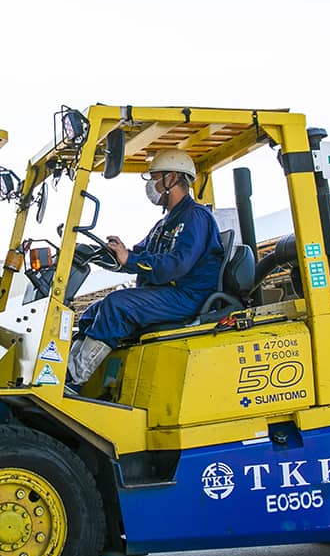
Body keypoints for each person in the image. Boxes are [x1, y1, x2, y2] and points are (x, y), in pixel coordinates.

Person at [68, 149, 224, 385]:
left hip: (187, 296)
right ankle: (67, 370)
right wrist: (110, 253)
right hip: (166, 294)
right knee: (92, 312)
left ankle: (75, 379)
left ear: (171, 178)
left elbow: (178, 264)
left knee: (116, 305)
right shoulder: (164, 224)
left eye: (155, 177)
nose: (151, 184)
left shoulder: (196, 217)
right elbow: (140, 253)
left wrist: (129, 259)